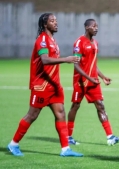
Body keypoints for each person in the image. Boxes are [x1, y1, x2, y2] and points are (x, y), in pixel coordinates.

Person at [7, 13, 83, 157]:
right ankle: (13, 144)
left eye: (56, 21)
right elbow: (45, 60)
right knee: (32, 115)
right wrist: (66, 59)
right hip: (41, 85)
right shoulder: (42, 40)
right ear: (44, 24)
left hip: (54, 85)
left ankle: (65, 149)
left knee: (60, 113)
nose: (56, 23)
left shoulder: (52, 40)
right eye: (52, 21)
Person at [67, 19, 119, 146]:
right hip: (81, 81)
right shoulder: (79, 42)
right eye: (93, 26)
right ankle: (68, 136)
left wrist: (103, 77)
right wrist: (88, 78)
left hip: (93, 80)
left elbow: (93, 64)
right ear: (87, 27)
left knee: (100, 106)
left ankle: (110, 137)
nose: (96, 28)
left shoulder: (95, 43)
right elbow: (76, 65)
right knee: (75, 106)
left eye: (97, 26)